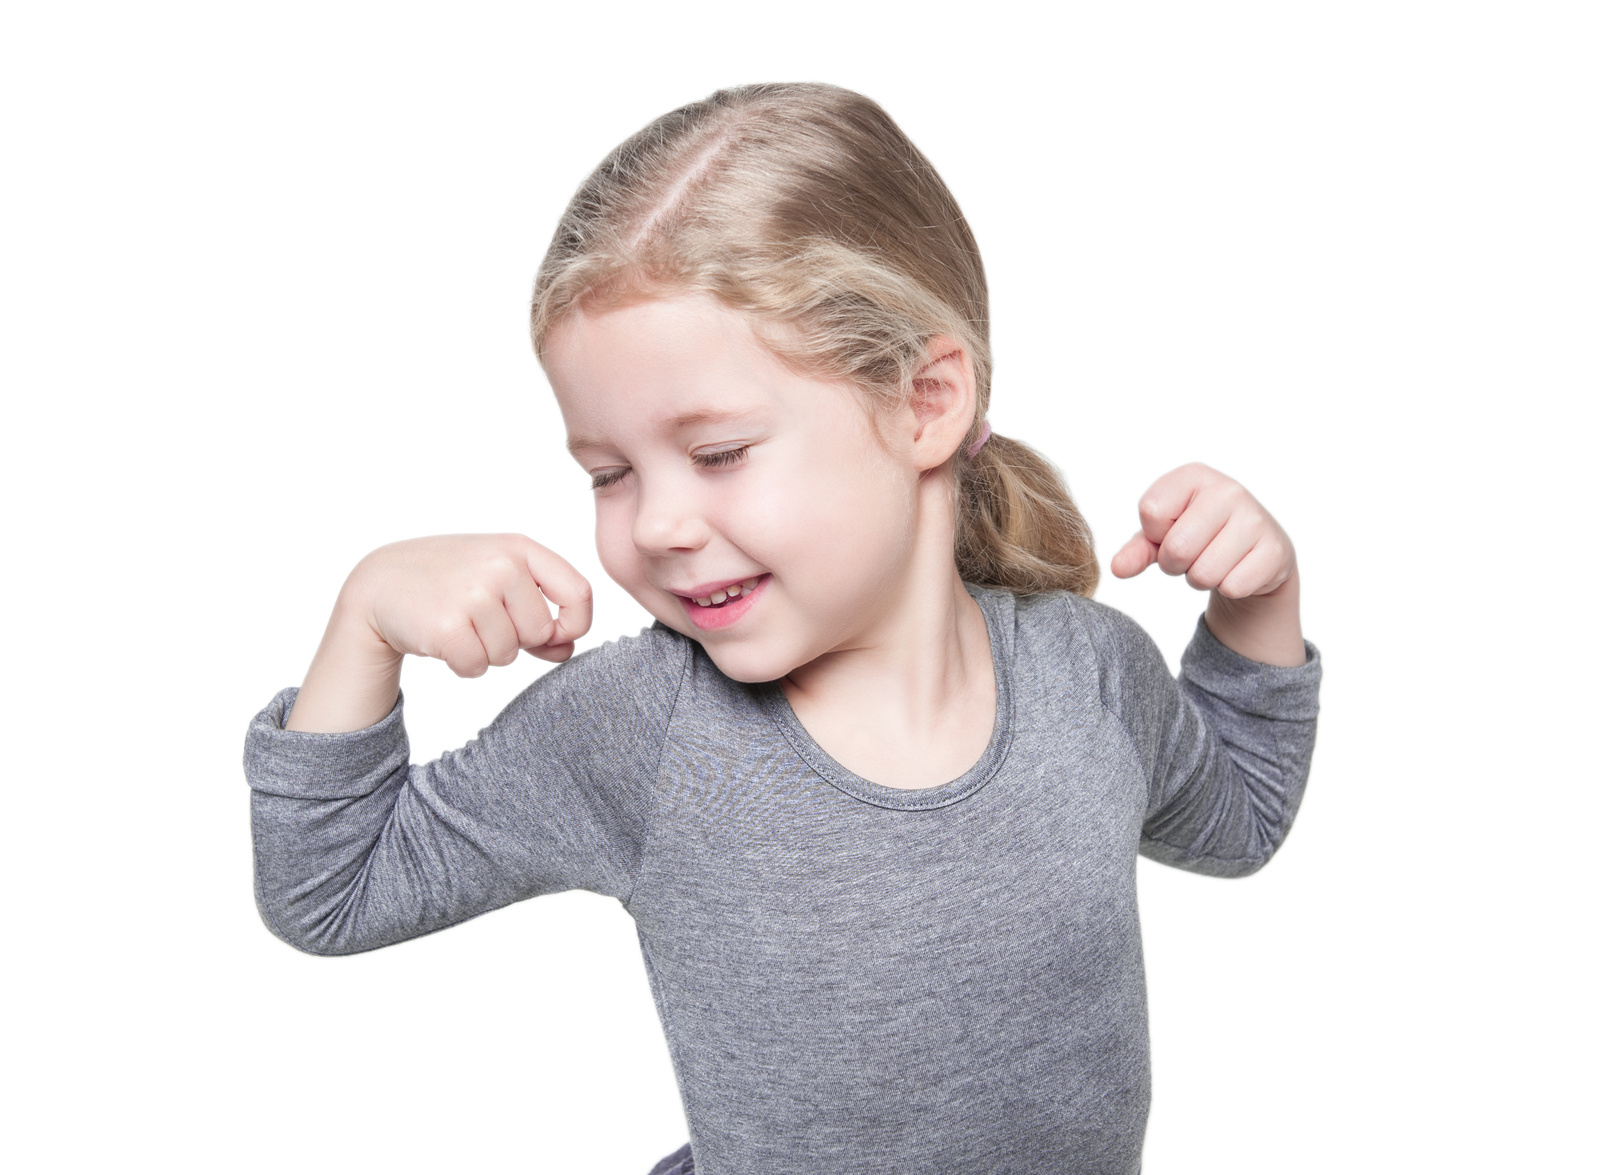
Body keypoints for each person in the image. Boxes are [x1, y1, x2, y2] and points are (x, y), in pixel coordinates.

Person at [244, 83, 1322, 1175]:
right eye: (609, 473)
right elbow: (332, 890)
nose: (659, 523)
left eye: (716, 453)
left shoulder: (1087, 672)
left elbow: (1238, 821)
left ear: (924, 402)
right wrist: (365, 617)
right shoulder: (649, 727)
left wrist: (1255, 602)